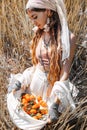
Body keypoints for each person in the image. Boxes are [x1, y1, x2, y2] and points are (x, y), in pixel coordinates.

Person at [7, 0, 79, 129]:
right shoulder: (38, 33)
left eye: (35, 17)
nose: (33, 22)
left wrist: (56, 102)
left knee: (48, 121)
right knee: (29, 113)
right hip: (36, 82)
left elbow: (65, 71)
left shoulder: (69, 38)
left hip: (53, 87)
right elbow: (36, 65)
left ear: (48, 11)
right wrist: (23, 80)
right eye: (30, 18)